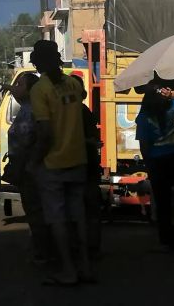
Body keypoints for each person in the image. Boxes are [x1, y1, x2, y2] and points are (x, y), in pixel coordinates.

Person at [29, 40, 91, 286]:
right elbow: (82, 98)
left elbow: (44, 133)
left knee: (57, 219)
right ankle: (85, 266)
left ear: (37, 63)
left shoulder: (39, 89)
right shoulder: (74, 84)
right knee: (79, 216)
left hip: (53, 163)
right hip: (78, 160)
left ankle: (67, 270)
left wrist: (34, 162)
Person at [135, 84, 174, 248]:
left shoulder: (143, 117)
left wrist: (148, 162)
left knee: (163, 203)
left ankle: (166, 240)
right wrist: (169, 94)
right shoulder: (171, 107)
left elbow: (144, 145)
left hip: (158, 161)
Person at [3, 71, 51, 263]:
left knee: (35, 208)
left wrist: (29, 162)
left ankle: (43, 249)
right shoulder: (25, 107)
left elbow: (31, 137)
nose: (15, 88)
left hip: (30, 166)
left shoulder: (32, 110)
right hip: (25, 165)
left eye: (20, 84)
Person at [71, 74, 102, 259]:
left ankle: (83, 249)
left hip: (79, 166)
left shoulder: (77, 112)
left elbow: (91, 139)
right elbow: (93, 139)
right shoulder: (84, 111)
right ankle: (91, 248)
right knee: (90, 211)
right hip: (87, 166)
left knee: (80, 210)